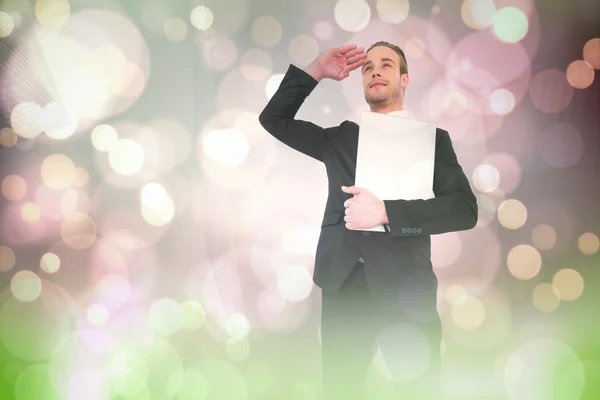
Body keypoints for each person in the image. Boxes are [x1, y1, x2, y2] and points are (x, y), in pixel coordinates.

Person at [258, 41, 478, 399]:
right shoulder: (342, 138)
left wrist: (387, 212)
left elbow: (464, 209)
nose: (376, 70)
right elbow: (274, 120)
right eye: (368, 66)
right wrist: (315, 69)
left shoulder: (433, 140)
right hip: (345, 287)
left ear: (404, 80)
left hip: (407, 289)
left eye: (387, 65)